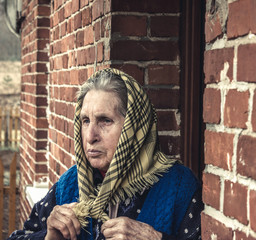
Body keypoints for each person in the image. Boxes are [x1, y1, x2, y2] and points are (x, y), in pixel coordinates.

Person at [8, 68, 203, 240]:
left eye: (105, 120)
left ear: (134, 127)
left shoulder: (178, 187)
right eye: (85, 121)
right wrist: (49, 237)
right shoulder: (69, 185)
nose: (90, 136)